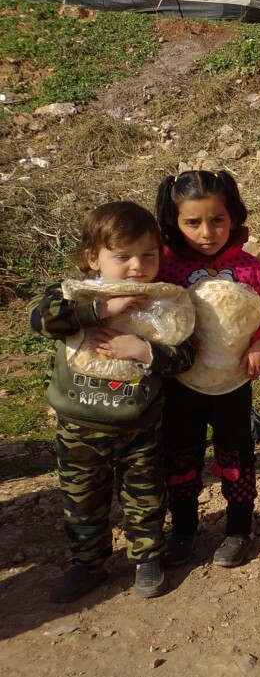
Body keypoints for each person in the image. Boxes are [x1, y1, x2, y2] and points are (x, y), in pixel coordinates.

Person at [30, 201, 196, 602]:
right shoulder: (73, 294)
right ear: (93, 258)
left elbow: (185, 357)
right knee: (82, 499)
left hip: (139, 423)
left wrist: (142, 350)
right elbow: (42, 320)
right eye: (122, 257)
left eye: (148, 255)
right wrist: (102, 309)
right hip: (80, 424)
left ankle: (147, 558)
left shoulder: (167, 302)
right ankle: (88, 565)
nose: (137, 266)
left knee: (145, 495)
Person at [156, 170, 260, 569]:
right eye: (193, 222)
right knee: (180, 456)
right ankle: (184, 530)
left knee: (236, 454)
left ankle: (239, 528)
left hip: (233, 383)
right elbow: (152, 316)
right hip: (181, 384)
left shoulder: (250, 269)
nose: (207, 232)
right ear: (174, 222)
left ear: (233, 217)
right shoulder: (165, 268)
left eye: (217, 220)